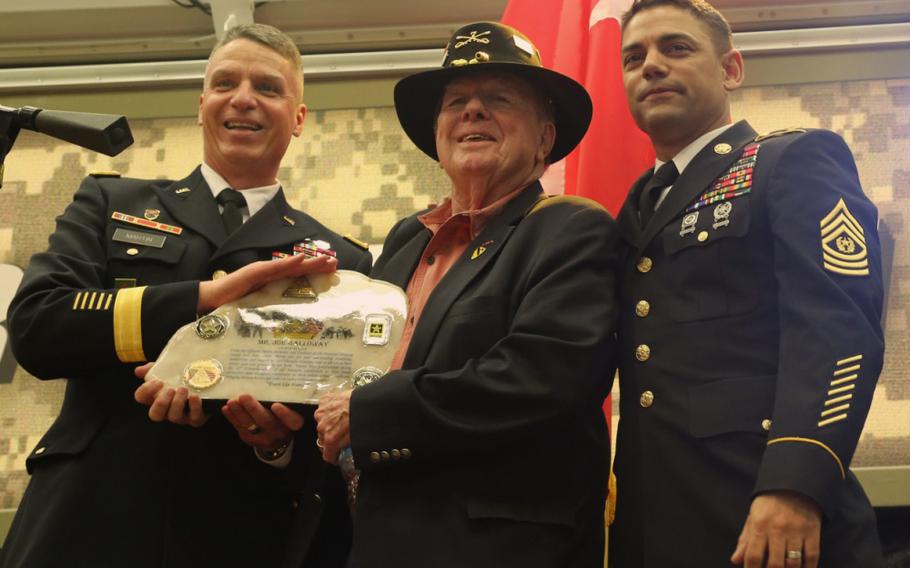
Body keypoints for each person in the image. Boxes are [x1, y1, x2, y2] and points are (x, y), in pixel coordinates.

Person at [1, 23, 370, 568]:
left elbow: (332, 440)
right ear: (202, 105)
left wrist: (276, 447)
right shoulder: (111, 202)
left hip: (239, 531)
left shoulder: (340, 261)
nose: (243, 98)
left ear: (298, 118)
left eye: (268, 88)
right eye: (225, 83)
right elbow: (37, 324)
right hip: (88, 515)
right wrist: (200, 298)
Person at [311, 22, 619, 568]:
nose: (472, 111)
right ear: (437, 134)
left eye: (497, 99)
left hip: (502, 548)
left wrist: (368, 413)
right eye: (456, 102)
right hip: (376, 539)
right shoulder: (405, 241)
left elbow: (539, 375)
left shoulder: (571, 228)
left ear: (545, 138)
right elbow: (355, 366)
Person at [610, 1, 885, 567]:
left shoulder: (789, 160)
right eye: (633, 58)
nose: (651, 66)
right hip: (659, 518)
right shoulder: (635, 206)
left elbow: (838, 331)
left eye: (676, 48)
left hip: (771, 510)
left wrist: (796, 481)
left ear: (730, 70)